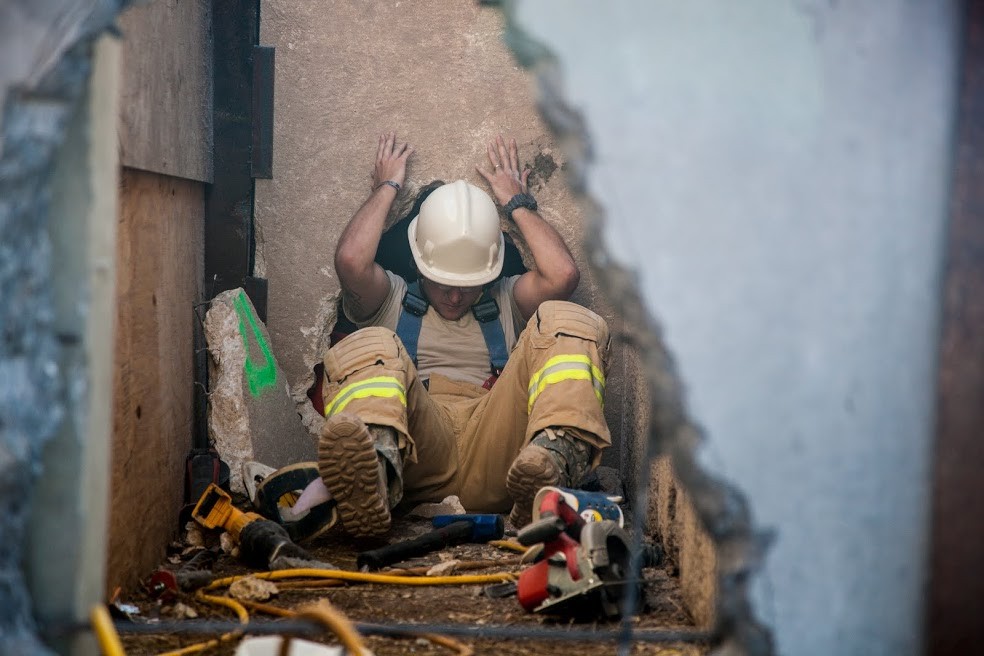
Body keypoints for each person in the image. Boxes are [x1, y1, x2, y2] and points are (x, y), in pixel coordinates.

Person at [318, 132, 612, 537]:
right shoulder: (392, 300)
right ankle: (376, 473)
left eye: (469, 284)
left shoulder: (507, 300)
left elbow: (562, 276)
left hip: (501, 453)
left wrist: (518, 204)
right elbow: (351, 261)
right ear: (420, 265)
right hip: (418, 449)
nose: (455, 295)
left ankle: (552, 467)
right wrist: (387, 187)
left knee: (568, 320)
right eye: (442, 283)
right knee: (370, 343)